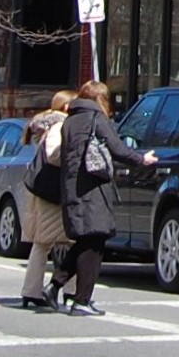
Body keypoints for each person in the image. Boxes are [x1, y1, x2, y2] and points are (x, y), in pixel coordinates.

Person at [57, 80, 155, 316]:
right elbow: (117, 148)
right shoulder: (97, 119)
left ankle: (54, 286)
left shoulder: (70, 121)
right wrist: (142, 159)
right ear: (100, 99)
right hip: (93, 188)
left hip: (72, 186)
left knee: (85, 240)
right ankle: (82, 300)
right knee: (94, 242)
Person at [18, 88, 76, 311]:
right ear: (67, 107)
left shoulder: (50, 124)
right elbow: (54, 154)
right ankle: (70, 291)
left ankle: (32, 291)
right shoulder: (60, 125)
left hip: (45, 191)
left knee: (43, 243)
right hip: (54, 193)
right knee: (69, 241)